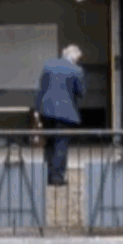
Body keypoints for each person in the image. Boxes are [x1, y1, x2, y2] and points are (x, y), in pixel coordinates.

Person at [33, 44, 85, 186]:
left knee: (49, 143)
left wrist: (37, 109)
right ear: (75, 57)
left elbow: (41, 89)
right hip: (66, 113)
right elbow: (80, 92)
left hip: (47, 111)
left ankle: (48, 175)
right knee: (61, 144)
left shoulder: (49, 65)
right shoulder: (77, 70)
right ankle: (57, 177)